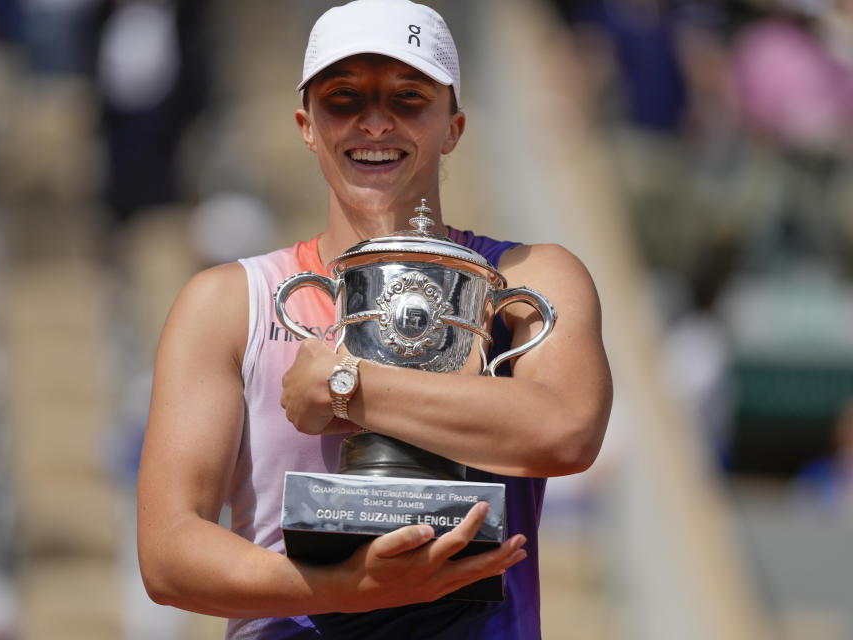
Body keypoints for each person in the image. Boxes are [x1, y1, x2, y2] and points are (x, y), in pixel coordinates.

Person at [136, 1, 613, 638]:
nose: (376, 121)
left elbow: (568, 429)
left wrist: (350, 388)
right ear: (307, 125)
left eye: (408, 97)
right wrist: (340, 590)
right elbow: (167, 551)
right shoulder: (228, 303)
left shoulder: (530, 277)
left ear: (454, 127)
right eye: (344, 97)